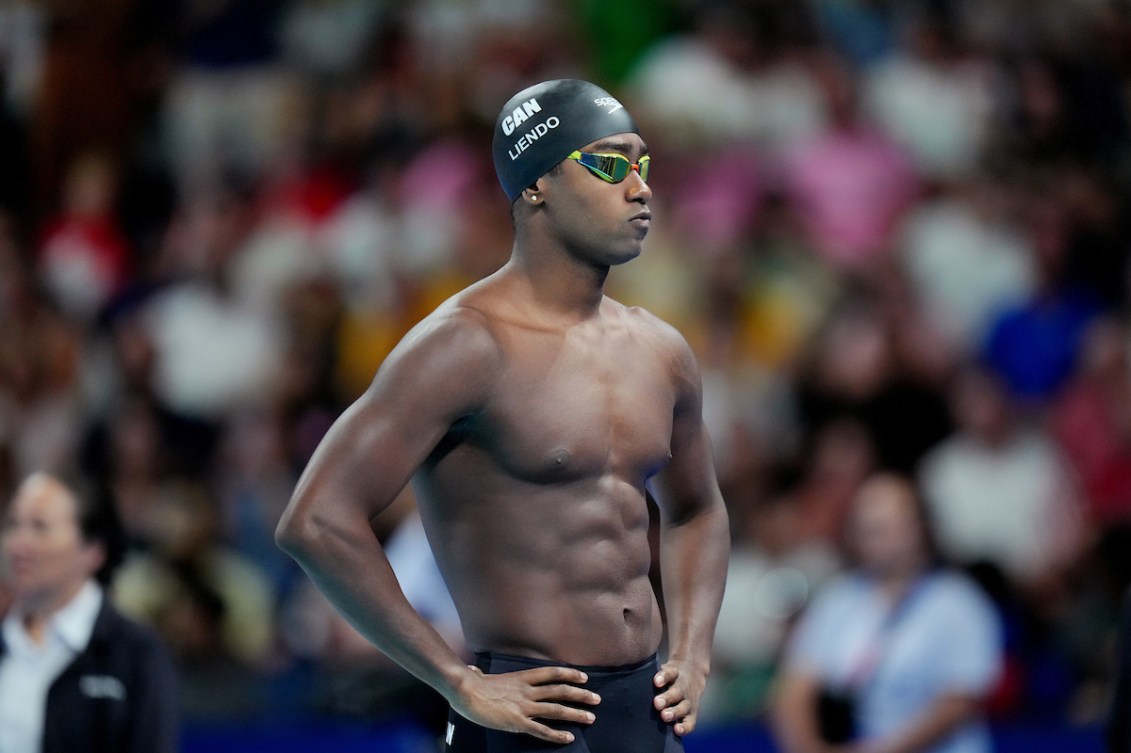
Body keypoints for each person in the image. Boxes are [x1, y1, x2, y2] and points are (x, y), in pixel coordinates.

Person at [275, 78, 731, 752]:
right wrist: (455, 679)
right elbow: (314, 520)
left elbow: (696, 509)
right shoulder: (464, 344)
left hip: (646, 709)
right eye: (608, 164)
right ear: (535, 185)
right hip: (524, 712)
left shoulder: (660, 350)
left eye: (642, 164)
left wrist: (691, 652)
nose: (639, 188)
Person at [771, 471, 1001, 753]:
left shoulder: (959, 603)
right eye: (866, 527)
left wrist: (881, 751)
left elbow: (959, 703)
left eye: (885, 527)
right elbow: (794, 690)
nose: (874, 538)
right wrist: (808, 749)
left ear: (920, 527)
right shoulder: (837, 600)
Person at [0, 472, 179, 753]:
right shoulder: (6, 640)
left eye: (40, 527)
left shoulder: (136, 653)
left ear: (93, 549)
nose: (18, 544)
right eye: (12, 524)